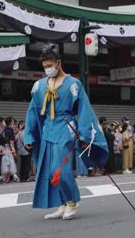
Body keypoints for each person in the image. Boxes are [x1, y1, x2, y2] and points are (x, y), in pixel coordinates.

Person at [24, 44, 108, 220]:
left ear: (58, 63)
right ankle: (61, 204)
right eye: (45, 66)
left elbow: (84, 109)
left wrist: (85, 134)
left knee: (59, 169)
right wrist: (29, 134)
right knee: (48, 171)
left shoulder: (73, 84)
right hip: (47, 129)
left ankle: (72, 202)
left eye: (50, 65)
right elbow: (32, 111)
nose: (48, 69)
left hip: (66, 127)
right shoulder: (39, 86)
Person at [4, 117, 19, 182]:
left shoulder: (7, 129)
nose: (13, 122)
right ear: (10, 122)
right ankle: (11, 177)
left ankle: (10, 177)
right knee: (11, 162)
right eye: (12, 121)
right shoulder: (9, 130)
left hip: (7, 148)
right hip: (10, 148)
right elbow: (11, 141)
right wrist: (14, 151)